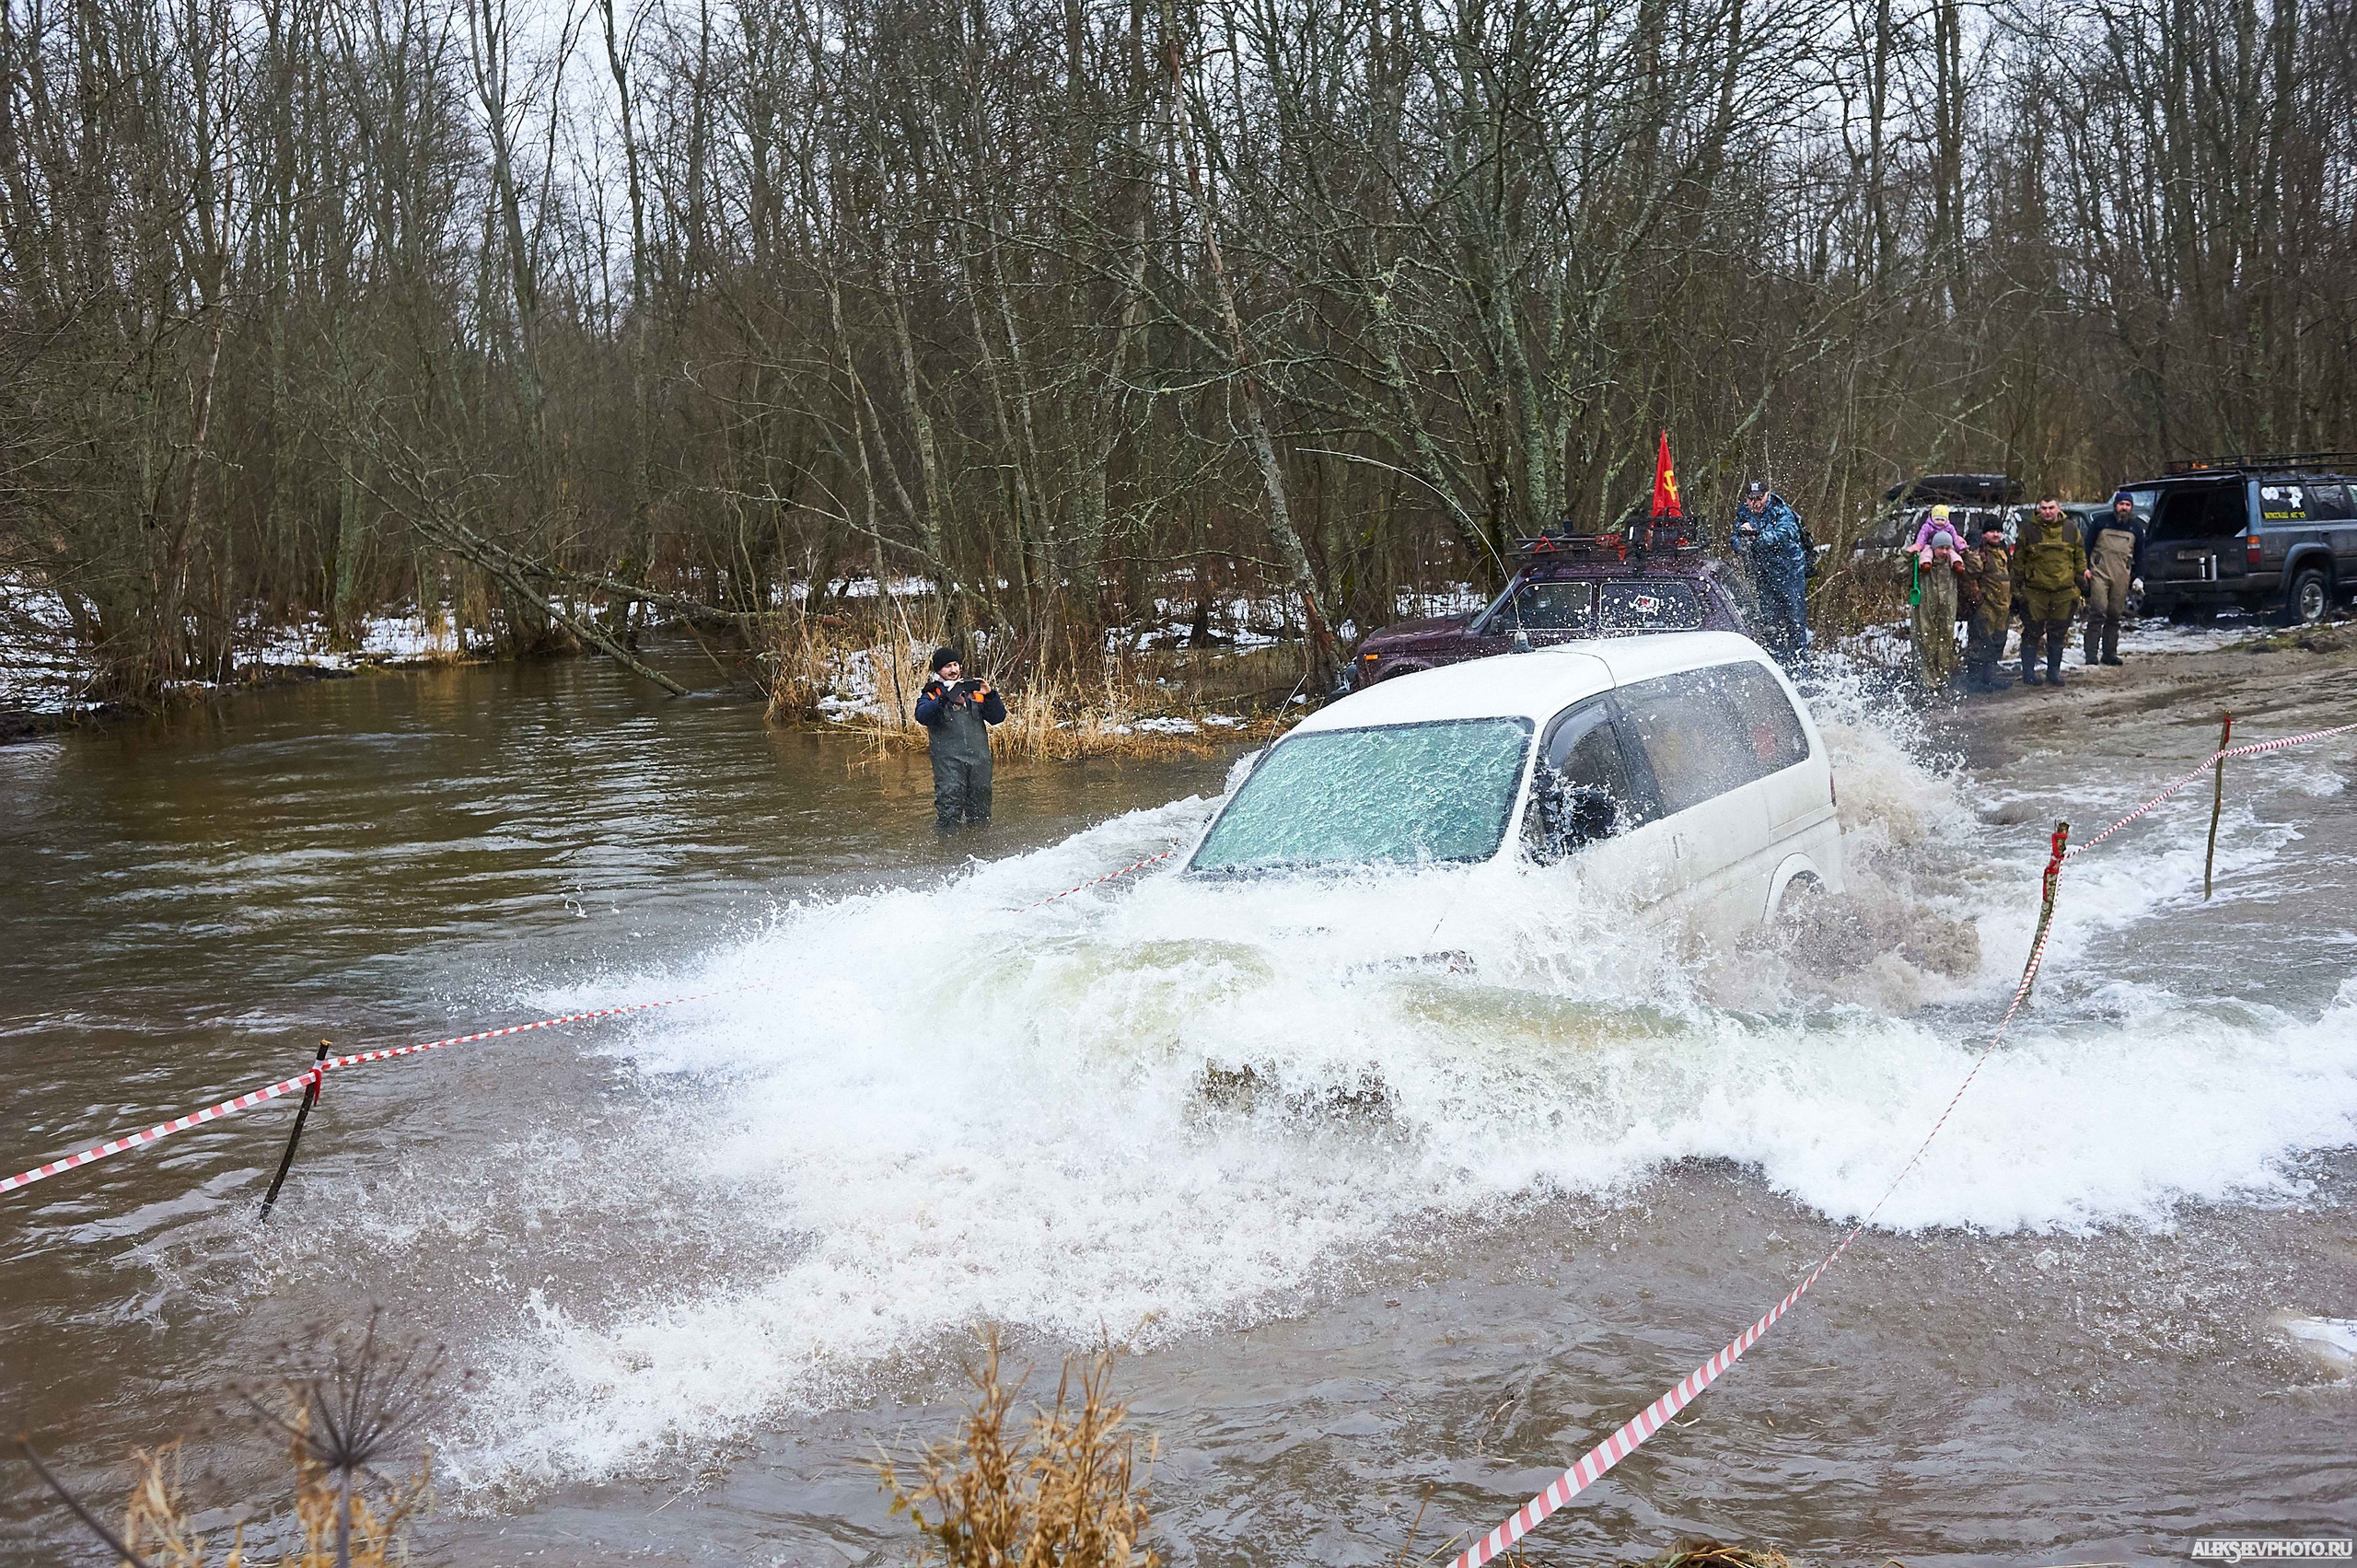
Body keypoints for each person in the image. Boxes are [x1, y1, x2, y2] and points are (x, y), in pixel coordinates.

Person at [914, 647, 1006, 832]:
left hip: (979, 761)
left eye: (955, 665)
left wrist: (990, 695)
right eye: (948, 666)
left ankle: (980, 852)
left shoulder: (974, 692)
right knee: (949, 812)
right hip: (949, 764)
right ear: (938, 670)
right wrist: (945, 698)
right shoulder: (932, 694)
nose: (953, 670)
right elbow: (922, 715)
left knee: (981, 814)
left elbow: (998, 717)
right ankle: (948, 855)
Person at [2014, 495, 2087, 688]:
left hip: (2064, 591)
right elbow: (2018, 560)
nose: (2047, 512)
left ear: (2058, 508)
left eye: (2051, 508)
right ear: (2039, 509)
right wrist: (2018, 589)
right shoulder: (2029, 529)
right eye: (2043, 508)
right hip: (2035, 591)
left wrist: (2081, 581)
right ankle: (2028, 673)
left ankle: (2053, 672)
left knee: (2058, 632)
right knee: (2032, 632)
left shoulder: (2070, 529)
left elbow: (2079, 556)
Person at [1732, 481, 1811, 658]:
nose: (1756, 503)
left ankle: (1801, 663)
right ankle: (1779, 661)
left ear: (1767, 495)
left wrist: (1755, 535)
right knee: (1770, 623)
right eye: (1751, 499)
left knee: (1795, 621)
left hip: (1789, 573)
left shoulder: (1780, 510)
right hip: (1764, 574)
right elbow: (1735, 538)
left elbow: (1781, 535)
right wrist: (1741, 543)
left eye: (1759, 498)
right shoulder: (1744, 512)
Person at [1908, 505, 1966, 692]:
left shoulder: (1952, 565)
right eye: (1941, 548)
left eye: (1948, 548)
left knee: (1945, 643)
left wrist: (1965, 550)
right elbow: (1899, 570)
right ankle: (1927, 682)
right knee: (1925, 643)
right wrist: (1908, 554)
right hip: (1925, 610)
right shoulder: (1922, 564)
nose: (1944, 552)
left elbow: (1974, 568)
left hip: (1946, 613)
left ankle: (1943, 680)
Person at [2082, 493, 2143, 668]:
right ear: (2115, 505)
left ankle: (2109, 653)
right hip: (2099, 573)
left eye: (2127, 505)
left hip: (2122, 576)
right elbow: (2087, 546)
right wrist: (2085, 568)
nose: (2124, 508)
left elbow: (2140, 554)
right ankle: (2091, 654)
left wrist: (2139, 577)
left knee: (2115, 614)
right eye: (2121, 504)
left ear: (2131, 507)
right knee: (2098, 611)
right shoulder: (2101, 522)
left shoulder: (2136, 528)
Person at [1958, 518, 2014, 692]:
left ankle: (1989, 678)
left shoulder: (2003, 550)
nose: (1996, 534)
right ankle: (1974, 682)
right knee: (1980, 643)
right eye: (1992, 531)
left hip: (2003, 606)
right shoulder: (1979, 551)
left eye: (1998, 531)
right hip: (1985, 606)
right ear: (1984, 534)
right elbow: (1969, 574)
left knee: (1997, 642)